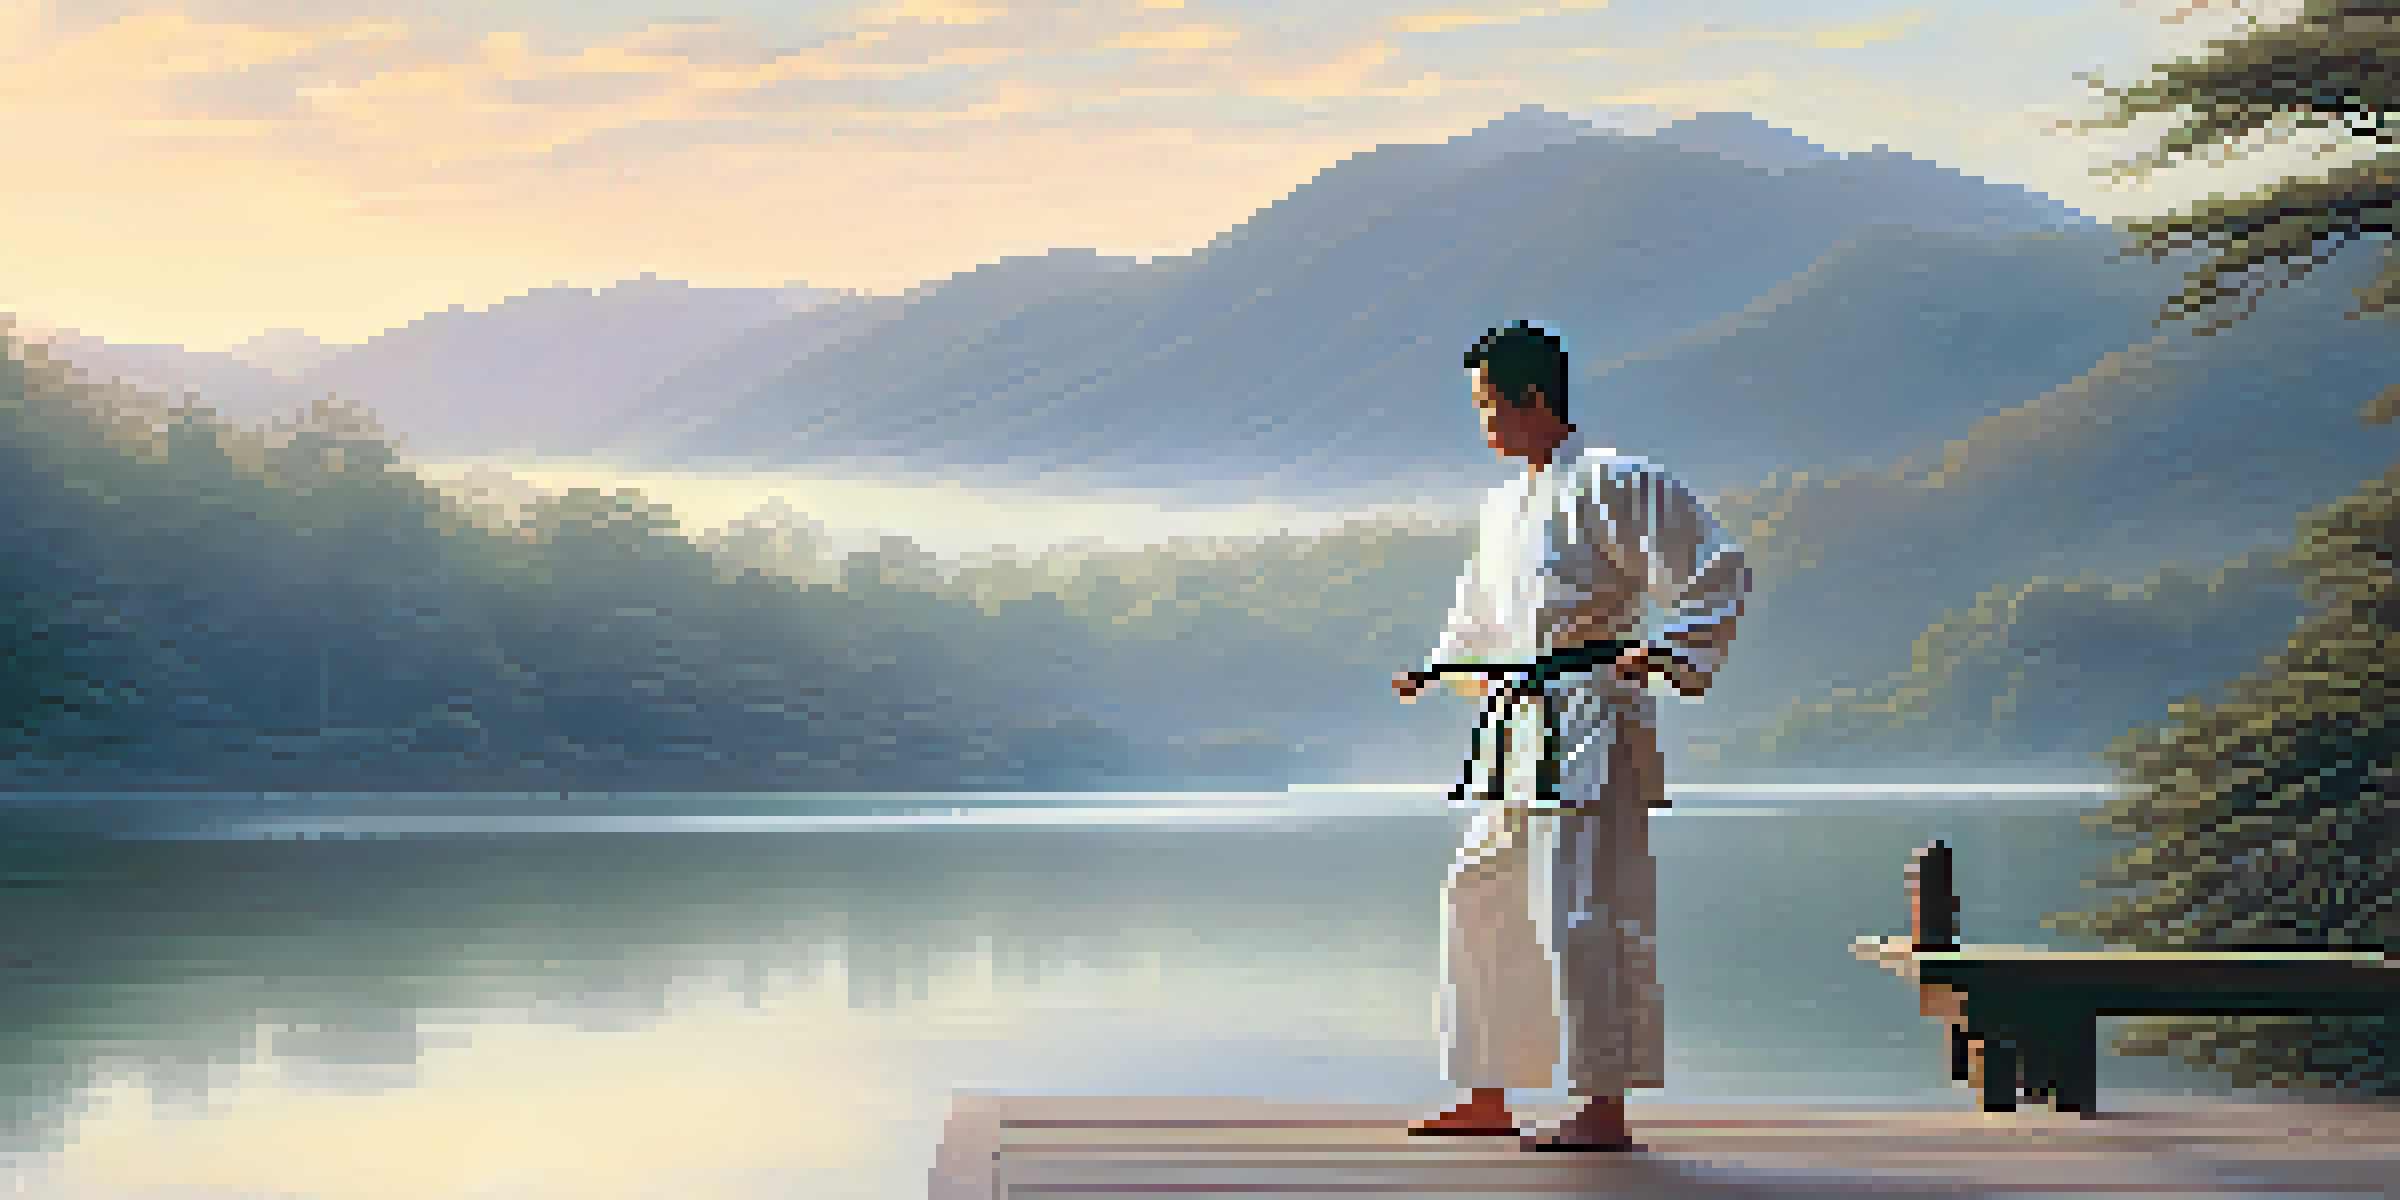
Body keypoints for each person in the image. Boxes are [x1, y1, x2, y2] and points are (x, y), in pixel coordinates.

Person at [1391, 319, 1750, 1152]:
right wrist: (1443, 668)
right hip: (1518, 719)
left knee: (1588, 908)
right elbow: (1478, 617)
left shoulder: (1619, 481)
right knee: (1477, 888)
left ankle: (1603, 1107)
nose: (1482, 425)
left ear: (1534, 399)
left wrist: (1661, 652)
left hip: (1594, 716)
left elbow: (1717, 569)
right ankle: (1488, 1089)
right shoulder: (1502, 506)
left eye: (1489, 406)